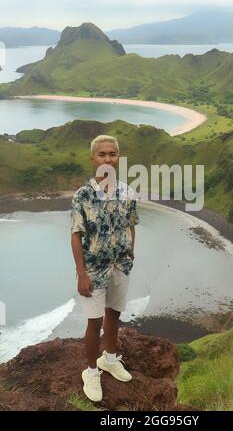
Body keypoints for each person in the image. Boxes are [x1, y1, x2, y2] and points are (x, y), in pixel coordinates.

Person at [71, 134, 139, 402]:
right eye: (102, 154)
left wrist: (131, 252)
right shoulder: (83, 196)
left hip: (120, 265)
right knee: (94, 321)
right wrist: (81, 273)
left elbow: (131, 223)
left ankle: (109, 358)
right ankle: (90, 371)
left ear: (118, 158)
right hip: (94, 270)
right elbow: (76, 235)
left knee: (114, 314)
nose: (107, 159)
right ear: (93, 158)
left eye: (112, 154)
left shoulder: (127, 192)